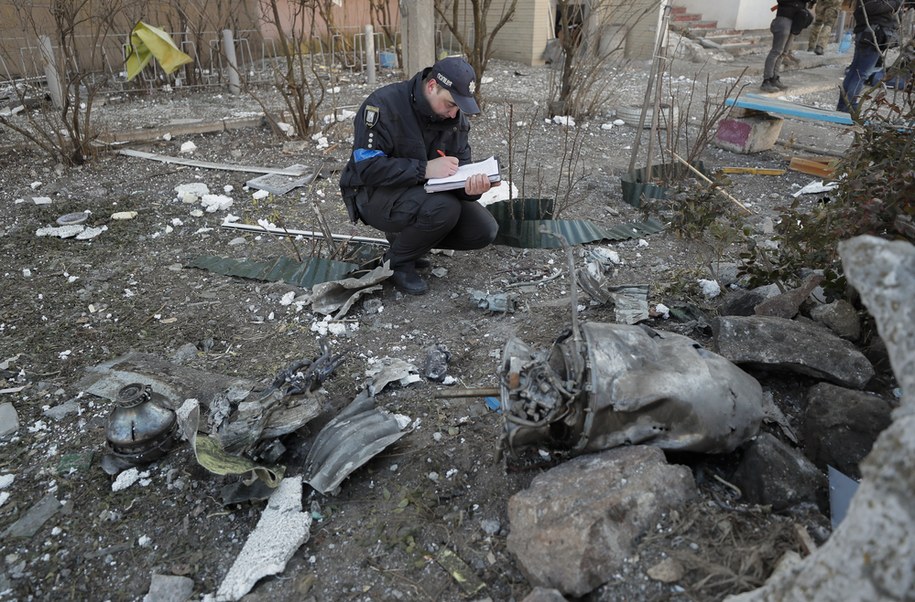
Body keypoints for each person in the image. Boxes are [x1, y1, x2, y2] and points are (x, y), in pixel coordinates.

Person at [339, 57, 499, 296]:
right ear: (432, 86)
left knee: (483, 229)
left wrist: (470, 189)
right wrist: (424, 169)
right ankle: (396, 264)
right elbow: (368, 168)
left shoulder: (455, 119)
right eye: (450, 104)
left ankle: (408, 246)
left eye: (458, 107)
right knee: (444, 209)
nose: (453, 112)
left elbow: (459, 169)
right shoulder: (383, 105)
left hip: (423, 194)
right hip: (371, 194)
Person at [837, 0, 912, 112]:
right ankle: (849, 106)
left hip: (870, 33)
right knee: (860, 73)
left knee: (855, 71)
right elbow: (868, 7)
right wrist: (896, 3)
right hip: (872, 35)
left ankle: (844, 105)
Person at [762, 0, 817, 92]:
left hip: (796, 19)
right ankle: (766, 80)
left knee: (784, 52)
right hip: (784, 17)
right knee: (776, 51)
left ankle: (775, 78)